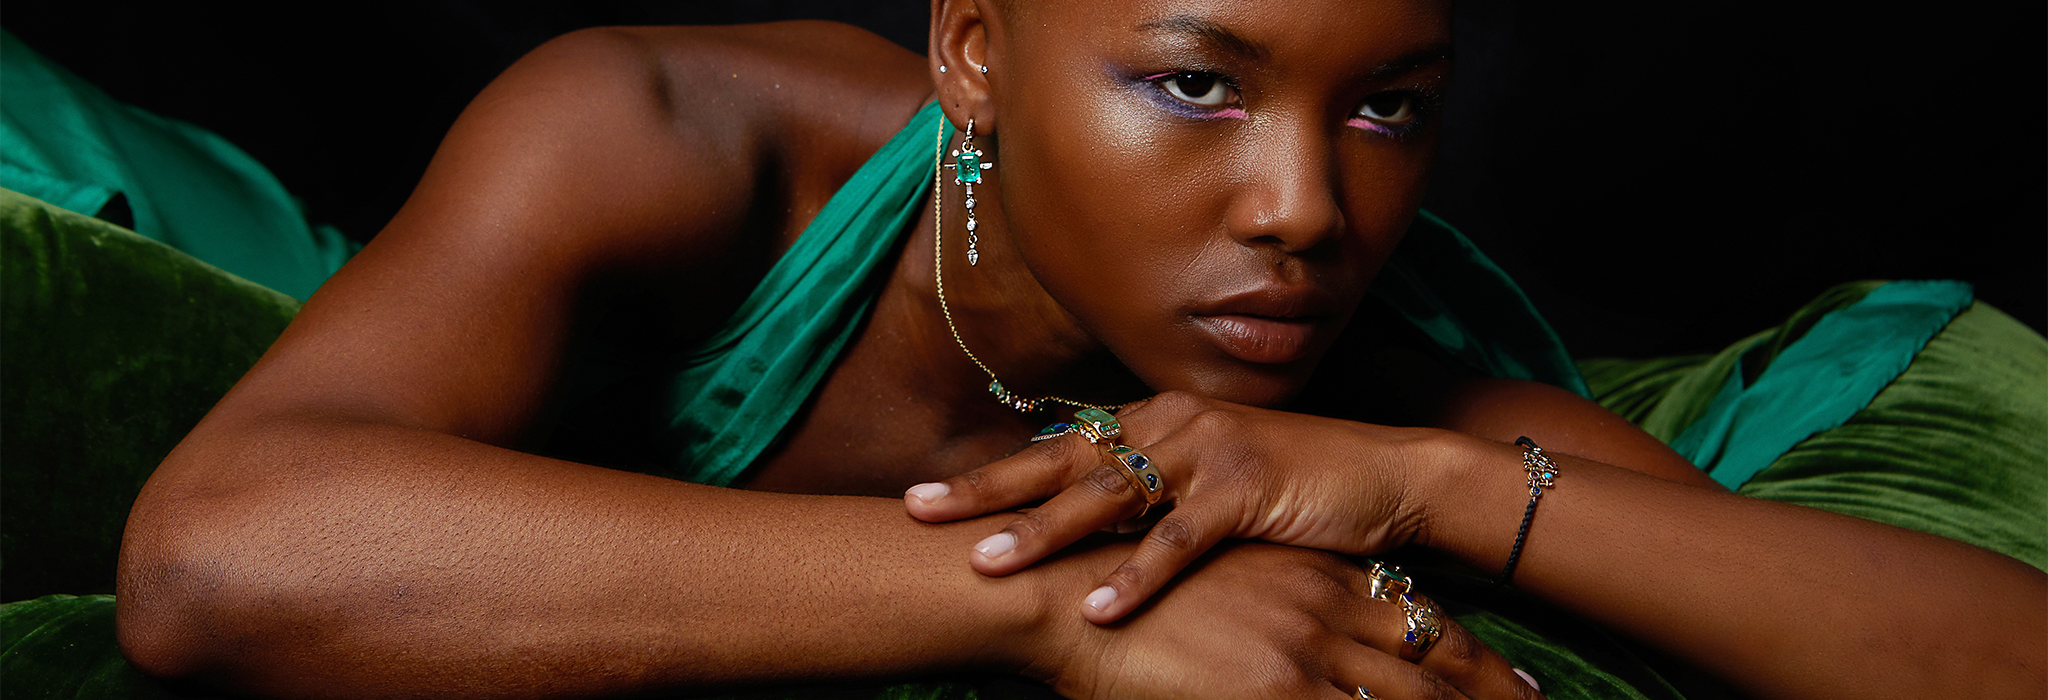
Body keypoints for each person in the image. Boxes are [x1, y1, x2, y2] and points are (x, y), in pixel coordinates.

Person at [110, 1, 2045, 698]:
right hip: (352, 284)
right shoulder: (666, 137)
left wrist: (1421, 483)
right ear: (974, 50)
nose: (1305, 208)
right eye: (1196, 84)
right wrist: (1049, 607)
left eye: (1388, 105)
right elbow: (217, 560)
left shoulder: (1388, 360)